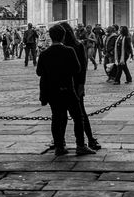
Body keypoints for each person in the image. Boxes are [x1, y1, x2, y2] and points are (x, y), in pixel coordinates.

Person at [36, 22, 96, 156]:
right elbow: (77, 68)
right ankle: (80, 145)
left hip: (52, 91)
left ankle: (59, 147)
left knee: (57, 118)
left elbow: (39, 72)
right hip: (68, 89)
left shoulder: (45, 53)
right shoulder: (70, 50)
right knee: (78, 117)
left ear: (50, 37)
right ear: (63, 37)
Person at [60, 21, 101, 151]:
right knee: (80, 115)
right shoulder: (76, 46)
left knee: (62, 116)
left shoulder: (71, 47)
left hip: (66, 86)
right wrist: (81, 85)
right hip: (75, 85)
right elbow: (82, 68)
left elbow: (82, 68)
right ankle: (86, 142)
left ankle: (60, 144)